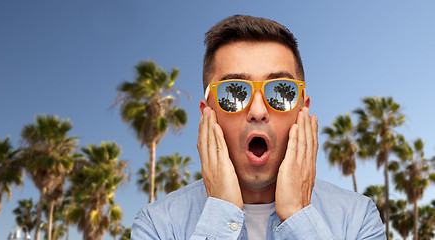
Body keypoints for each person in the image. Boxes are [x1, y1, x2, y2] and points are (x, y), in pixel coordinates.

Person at [131, 15, 386, 240]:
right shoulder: (157, 226)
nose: (258, 112)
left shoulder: (358, 218)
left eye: (280, 93)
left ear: (302, 110)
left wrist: (298, 217)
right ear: (207, 113)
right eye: (233, 93)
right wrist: (221, 214)